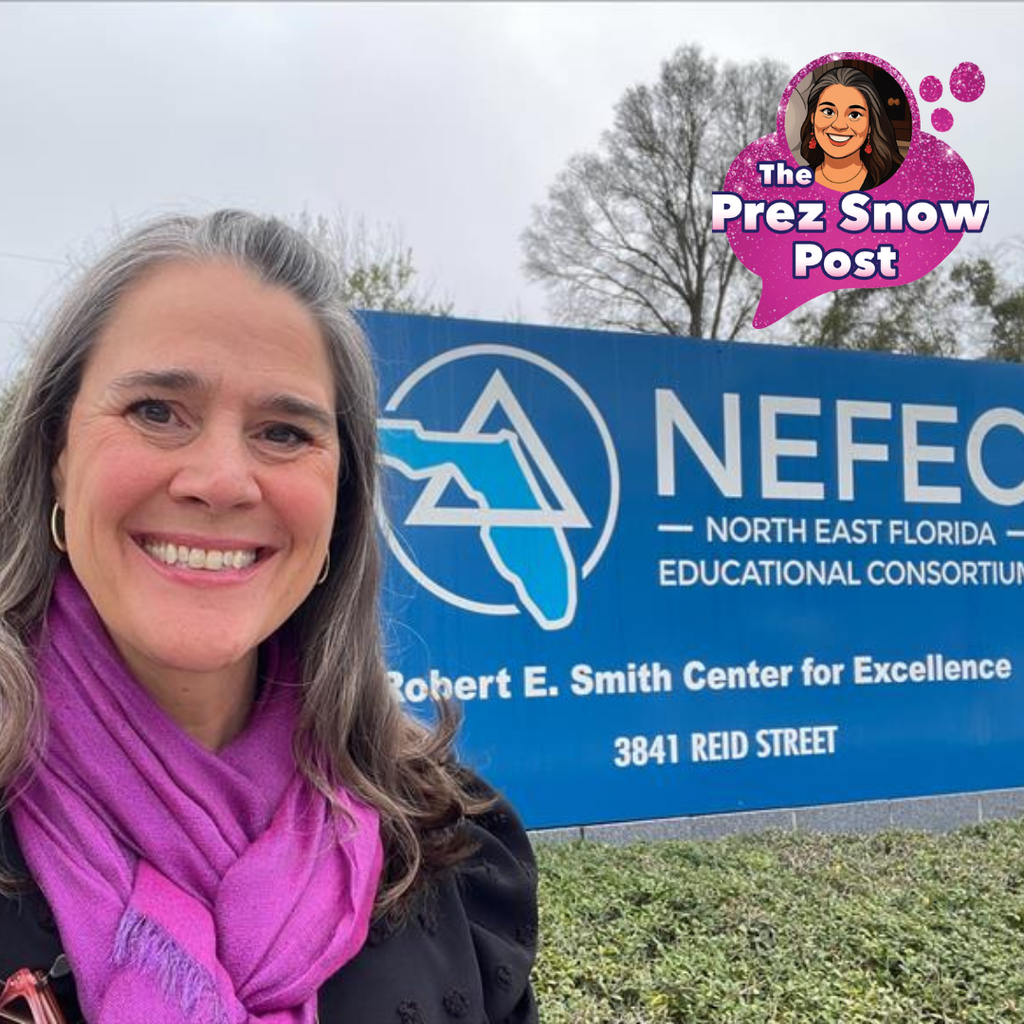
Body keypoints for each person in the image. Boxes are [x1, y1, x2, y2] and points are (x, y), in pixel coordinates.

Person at [0, 211, 538, 1023]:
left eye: (284, 432)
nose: (221, 481)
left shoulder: (449, 844)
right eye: (155, 410)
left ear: (340, 506)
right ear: (55, 457)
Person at [798, 65, 904, 192]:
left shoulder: (897, 180)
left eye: (854, 115)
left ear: (870, 125)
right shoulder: (796, 180)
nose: (839, 125)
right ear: (813, 118)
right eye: (828, 112)